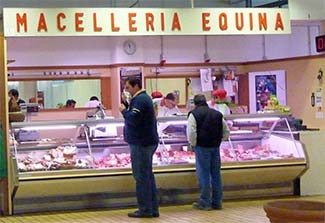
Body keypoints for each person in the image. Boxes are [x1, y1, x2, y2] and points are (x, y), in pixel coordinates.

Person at [119, 77, 160, 218]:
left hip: (141, 143)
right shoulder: (141, 99)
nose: (127, 91)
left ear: (136, 86)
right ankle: (152, 208)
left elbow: (133, 119)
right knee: (147, 176)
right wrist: (126, 104)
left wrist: (124, 111)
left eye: (128, 88)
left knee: (141, 177)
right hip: (146, 142)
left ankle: (145, 209)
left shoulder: (141, 100)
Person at [187, 94, 229, 211]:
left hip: (202, 147)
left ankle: (205, 202)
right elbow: (226, 130)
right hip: (215, 147)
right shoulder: (217, 114)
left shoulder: (194, 114)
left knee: (203, 174)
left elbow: (191, 131)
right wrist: (221, 139)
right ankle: (217, 202)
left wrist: (193, 144)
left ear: (195, 104)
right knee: (216, 174)